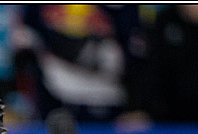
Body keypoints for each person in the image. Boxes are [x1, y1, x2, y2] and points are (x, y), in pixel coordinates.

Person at [10, 4, 147, 123]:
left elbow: (137, 55)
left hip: (111, 104)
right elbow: (24, 55)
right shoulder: (36, 9)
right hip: (56, 101)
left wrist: (137, 107)